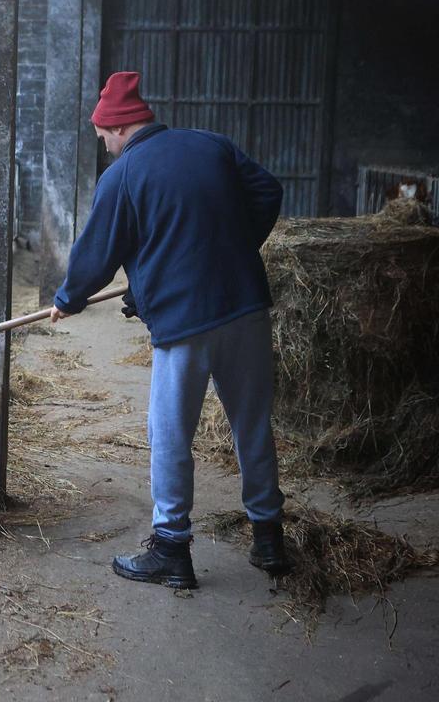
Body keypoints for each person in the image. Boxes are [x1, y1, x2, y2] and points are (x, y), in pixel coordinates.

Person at [49, 71, 292, 589]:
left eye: (103, 139)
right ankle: (269, 538)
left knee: (170, 435)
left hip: (185, 325)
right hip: (245, 309)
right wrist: (237, 247)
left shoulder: (124, 175)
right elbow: (268, 192)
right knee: (252, 425)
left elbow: (96, 254)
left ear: (116, 128)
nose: (106, 149)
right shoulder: (211, 145)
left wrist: (67, 300)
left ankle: (171, 549)